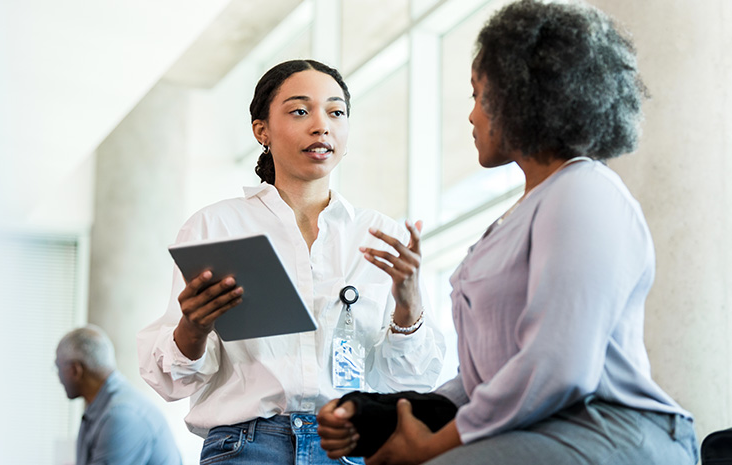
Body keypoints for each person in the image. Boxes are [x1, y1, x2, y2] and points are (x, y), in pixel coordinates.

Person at [317, 1, 699, 464]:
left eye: (478, 96)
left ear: (522, 96)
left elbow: (557, 365)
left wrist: (431, 446)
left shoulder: (582, 190)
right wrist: (388, 413)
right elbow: (486, 382)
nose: (472, 116)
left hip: (608, 430)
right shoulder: (516, 218)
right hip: (534, 431)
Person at [136, 59, 445, 465]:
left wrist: (409, 305)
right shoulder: (217, 227)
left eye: (336, 112)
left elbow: (410, 381)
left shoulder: (381, 237)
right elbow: (172, 382)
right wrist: (193, 328)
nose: (321, 126)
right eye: (300, 111)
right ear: (261, 130)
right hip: (246, 448)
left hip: (349, 447)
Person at [55, 325, 182, 465]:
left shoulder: (122, 414)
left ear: (74, 370)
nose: (58, 377)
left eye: (58, 367)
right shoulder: (101, 407)